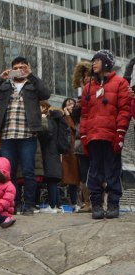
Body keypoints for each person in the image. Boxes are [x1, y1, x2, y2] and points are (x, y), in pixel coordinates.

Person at [0, 56, 51, 215]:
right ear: (12, 69)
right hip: (7, 136)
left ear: (28, 67)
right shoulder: (5, 85)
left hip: (28, 135)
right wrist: (0, 79)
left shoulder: (32, 84)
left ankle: (30, 204)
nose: (20, 69)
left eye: (23, 66)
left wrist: (31, 75)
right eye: (17, 67)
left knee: (28, 171)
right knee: (9, 173)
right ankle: (14, 203)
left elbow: (46, 93)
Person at [80, 49, 131, 219]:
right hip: (94, 136)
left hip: (111, 136)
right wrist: (83, 136)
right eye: (93, 60)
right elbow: (85, 115)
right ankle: (96, 204)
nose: (93, 63)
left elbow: (124, 111)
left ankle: (113, 204)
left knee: (112, 171)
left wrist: (120, 133)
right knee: (94, 172)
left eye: (97, 60)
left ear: (107, 63)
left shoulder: (120, 83)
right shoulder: (88, 88)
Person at [38, 101, 71, 214]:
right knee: (53, 179)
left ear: (44, 107)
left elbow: (47, 134)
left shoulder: (49, 119)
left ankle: (52, 206)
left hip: (49, 151)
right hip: (54, 151)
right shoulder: (56, 118)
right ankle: (57, 205)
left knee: (51, 178)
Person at [71, 60, 93, 212]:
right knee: (84, 172)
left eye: (89, 75)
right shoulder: (79, 97)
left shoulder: (101, 92)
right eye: (84, 76)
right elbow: (74, 120)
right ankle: (88, 203)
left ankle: (101, 201)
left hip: (97, 136)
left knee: (98, 170)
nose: (86, 79)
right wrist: (76, 108)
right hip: (81, 138)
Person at [61, 98, 81, 209]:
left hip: (80, 148)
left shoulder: (79, 116)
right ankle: (74, 202)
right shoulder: (64, 118)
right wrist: (67, 115)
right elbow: (70, 128)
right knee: (72, 179)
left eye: (72, 103)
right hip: (70, 151)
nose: (70, 106)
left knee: (82, 178)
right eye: (68, 104)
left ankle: (83, 201)